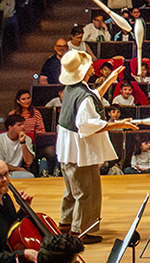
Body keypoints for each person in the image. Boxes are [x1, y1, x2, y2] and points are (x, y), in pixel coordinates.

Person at [56, 50, 136, 244]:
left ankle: (65, 226)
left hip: (69, 150)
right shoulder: (82, 96)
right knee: (85, 192)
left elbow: (92, 96)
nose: (93, 67)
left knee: (71, 191)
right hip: (80, 152)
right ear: (83, 72)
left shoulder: (72, 88)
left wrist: (109, 80)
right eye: (89, 65)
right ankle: (79, 233)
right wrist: (118, 124)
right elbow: (87, 124)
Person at [0, 114, 36, 179]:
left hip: (16, 172)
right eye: (19, 125)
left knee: (30, 176)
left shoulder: (27, 139)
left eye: (23, 124)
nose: (23, 127)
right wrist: (18, 169)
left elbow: (29, 161)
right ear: (10, 128)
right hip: (1, 171)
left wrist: (23, 143)